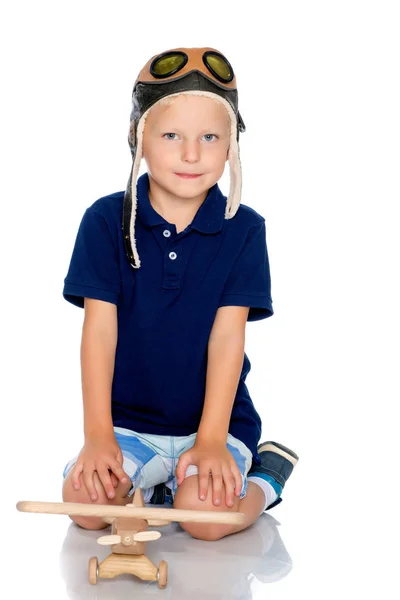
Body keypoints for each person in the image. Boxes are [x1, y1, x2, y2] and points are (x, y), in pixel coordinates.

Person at [61, 47, 299, 541]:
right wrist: (98, 436)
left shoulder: (244, 229)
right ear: (138, 138)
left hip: (213, 423)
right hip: (130, 425)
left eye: (210, 137)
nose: (192, 154)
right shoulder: (105, 222)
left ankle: (267, 475)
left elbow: (227, 340)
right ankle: (157, 483)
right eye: (171, 136)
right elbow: (99, 334)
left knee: (208, 523)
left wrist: (211, 440)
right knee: (85, 506)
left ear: (232, 144)